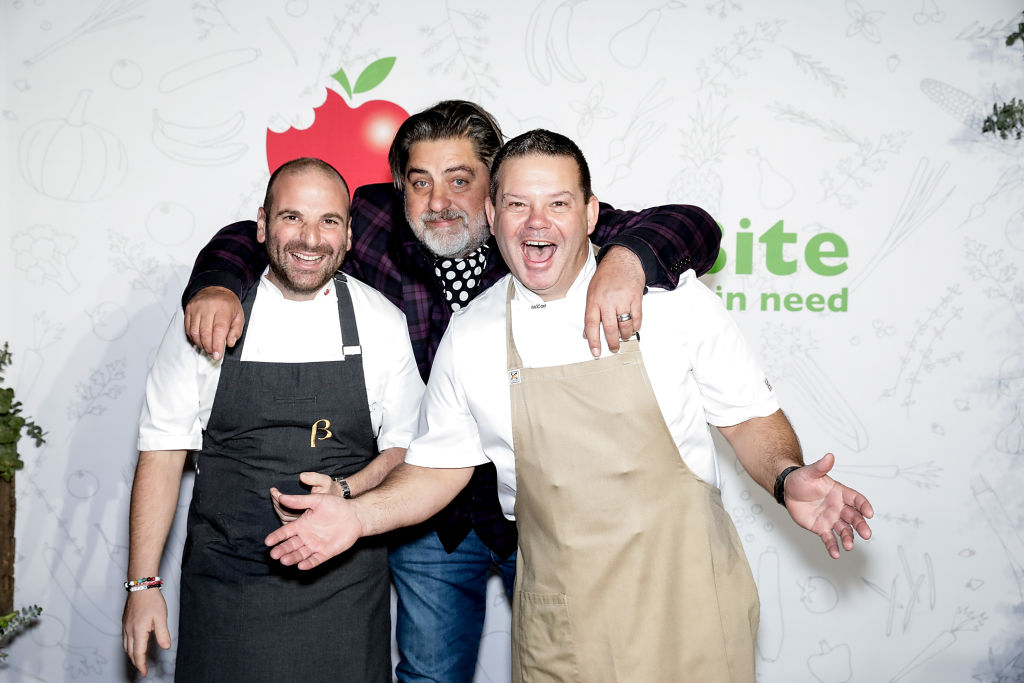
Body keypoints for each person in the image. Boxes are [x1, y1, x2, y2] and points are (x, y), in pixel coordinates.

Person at [263, 130, 876, 682]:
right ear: (492, 213)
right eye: (518, 204)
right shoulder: (473, 334)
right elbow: (439, 468)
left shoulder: (669, 302)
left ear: (590, 214)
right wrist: (357, 517)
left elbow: (747, 417)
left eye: (558, 203)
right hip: (561, 632)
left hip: (688, 608)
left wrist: (787, 475)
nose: (538, 222)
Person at [180, 101, 723, 681]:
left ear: (496, 189)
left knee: (588, 666)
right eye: (420, 183)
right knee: (430, 676)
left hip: (544, 514)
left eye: (460, 181)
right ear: (398, 189)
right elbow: (254, 234)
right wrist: (217, 285)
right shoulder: (371, 222)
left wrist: (629, 263)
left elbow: (693, 226)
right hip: (426, 518)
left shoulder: (534, 226)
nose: (439, 202)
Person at [122, 158, 424, 681]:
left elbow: (403, 449)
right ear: (261, 226)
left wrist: (347, 490)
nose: (311, 238)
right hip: (226, 590)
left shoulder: (380, 320)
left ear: (349, 234)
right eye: (292, 218)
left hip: (345, 596)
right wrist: (143, 587)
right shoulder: (209, 317)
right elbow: (163, 451)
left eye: (329, 221)